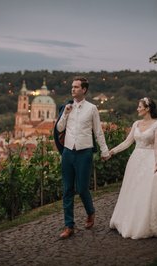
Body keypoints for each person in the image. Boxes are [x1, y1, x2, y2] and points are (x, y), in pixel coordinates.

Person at [108, 97, 157, 239]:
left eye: (140, 107)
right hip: (135, 160)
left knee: (149, 190)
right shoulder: (136, 124)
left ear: (147, 108)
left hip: (149, 159)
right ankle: (130, 220)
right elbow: (127, 142)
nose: (137, 109)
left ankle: (147, 223)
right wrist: (112, 152)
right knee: (133, 190)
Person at [56, 76, 110, 239]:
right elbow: (59, 128)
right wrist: (65, 114)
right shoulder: (67, 107)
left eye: (76, 87)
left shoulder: (92, 108)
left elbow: (98, 131)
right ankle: (69, 225)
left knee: (82, 188)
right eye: (72, 87)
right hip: (67, 153)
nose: (73, 89)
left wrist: (104, 150)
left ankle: (90, 212)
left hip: (84, 152)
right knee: (67, 190)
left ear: (84, 90)